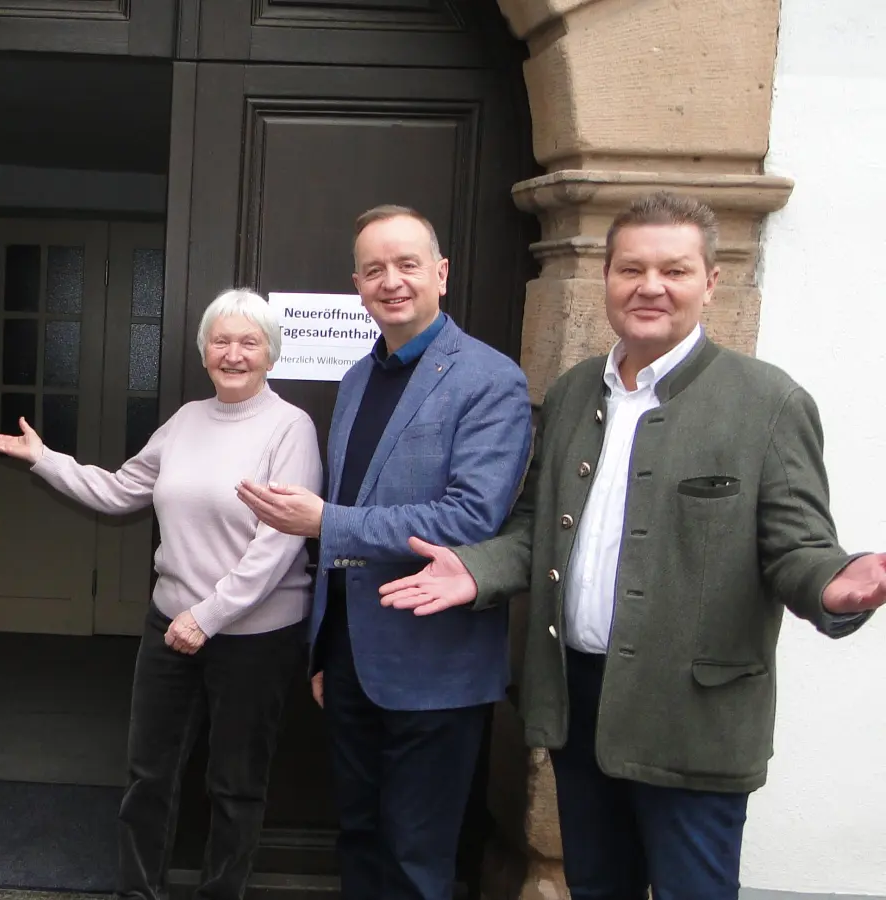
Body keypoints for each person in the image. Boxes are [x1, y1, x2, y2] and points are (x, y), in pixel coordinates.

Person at [378, 191, 886, 899]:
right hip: (580, 699)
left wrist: (834, 583)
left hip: (693, 715)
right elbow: (534, 523)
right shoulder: (573, 392)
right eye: (631, 269)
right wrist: (475, 568)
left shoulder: (768, 402)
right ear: (607, 279)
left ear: (711, 282)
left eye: (674, 271)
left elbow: (797, 546)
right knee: (597, 886)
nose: (650, 287)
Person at [0, 288, 320, 900]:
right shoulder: (187, 421)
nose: (234, 354)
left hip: (254, 638)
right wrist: (45, 459)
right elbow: (119, 491)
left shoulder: (290, 428)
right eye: (221, 341)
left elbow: (279, 543)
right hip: (170, 626)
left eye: (249, 342)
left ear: (271, 351)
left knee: (235, 783)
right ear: (204, 351)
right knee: (149, 777)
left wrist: (210, 616)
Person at [237, 205, 532, 900]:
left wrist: (325, 522)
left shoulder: (490, 379)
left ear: (441, 274)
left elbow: (471, 515)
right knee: (362, 842)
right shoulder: (358, 379)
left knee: (415, 861)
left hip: (435, 664)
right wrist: (326, 647)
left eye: (406, 264)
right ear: (357, 284)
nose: (391, 281)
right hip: (349, 662)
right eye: (374, 269)